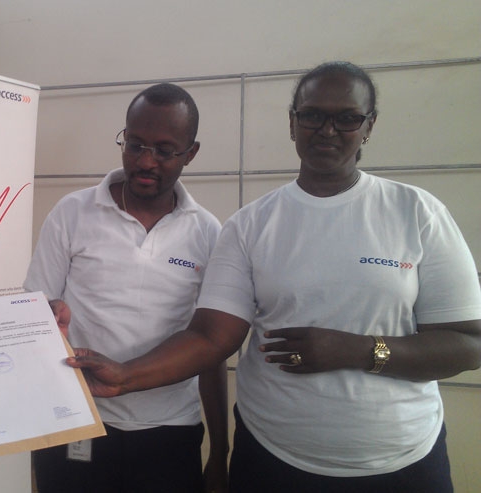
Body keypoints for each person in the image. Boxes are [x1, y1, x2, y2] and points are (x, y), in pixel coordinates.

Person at [67, 62, 481, 492]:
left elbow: (468, 343)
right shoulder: (249, 225)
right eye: (312, 115)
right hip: (272, 460)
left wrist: (359, 350)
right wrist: (125, 375)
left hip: (401, 463)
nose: (327, 130)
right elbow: (211, 338)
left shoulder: (416, 213)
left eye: (347, 118)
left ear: (369, 126)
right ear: (293, 122)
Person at [24, 83, 228, 493]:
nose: (145, 161)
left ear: (191, 152)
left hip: (169, 433)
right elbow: (35, 319)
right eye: (134, 144)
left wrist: (220, 451)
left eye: (165, 150)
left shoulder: (208, 233)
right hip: (77, 423)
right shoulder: (72, 213)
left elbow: (211, 350)